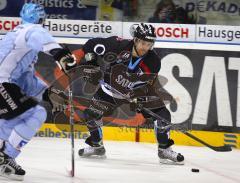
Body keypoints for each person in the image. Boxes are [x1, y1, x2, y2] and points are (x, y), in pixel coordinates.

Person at [72, 23, 184, 165]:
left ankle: (164, 149)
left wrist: (139, 99)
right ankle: (96, 146)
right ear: (135, 40)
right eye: (143, 43)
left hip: (135, 92)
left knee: (163, 116)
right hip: (109, 90)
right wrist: (92, 65)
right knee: (91, 115)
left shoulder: (154, 61)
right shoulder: (117, 45)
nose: (146, 47)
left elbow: (147, 84)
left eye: (149, 44)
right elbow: (90, 45)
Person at [0, 2, 76, 180]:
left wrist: (50, 93)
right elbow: (41, 37)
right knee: (37, 113)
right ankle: (6, 156)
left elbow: (25, 79)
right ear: (42, 19)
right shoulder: (31, 30)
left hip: (5, 84)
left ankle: (3, 156)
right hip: (2, 84)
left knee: (11, 118)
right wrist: (61, 55)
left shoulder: (18, 38)